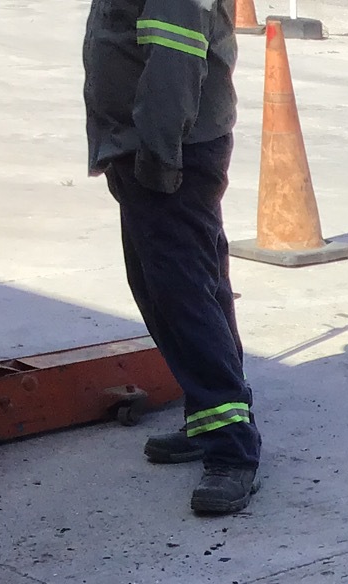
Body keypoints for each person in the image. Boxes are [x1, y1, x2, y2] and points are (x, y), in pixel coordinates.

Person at [83, 0, 261, 516]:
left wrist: (158, 155)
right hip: (148, 142)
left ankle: (232, 449)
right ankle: (209, 414)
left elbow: (176, 53)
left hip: (166, 147)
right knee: (190, 288)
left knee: (182, 300)